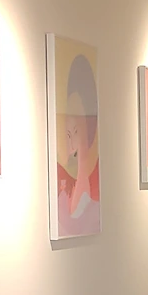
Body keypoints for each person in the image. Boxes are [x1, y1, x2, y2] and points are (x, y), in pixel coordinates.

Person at [59, 52, 100, 235]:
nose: (71, 145)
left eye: (76, 132)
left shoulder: (95, 202)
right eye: (67, 134)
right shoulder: (61, 188)